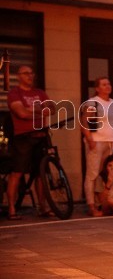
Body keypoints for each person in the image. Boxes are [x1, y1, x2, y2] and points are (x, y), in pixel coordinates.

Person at [6, 65, 56, 220]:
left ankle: (42, 207)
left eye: (31, 73)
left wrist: (31, 109)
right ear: (18, 76)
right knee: (18, 172)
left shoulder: (40, 92)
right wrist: (40, 109)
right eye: (26, 73)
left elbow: (52, 108)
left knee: (40, 173)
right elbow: (21, 113)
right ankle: (12, 209)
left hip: (41, 135)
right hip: (23, 137)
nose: (30, 76)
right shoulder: (15, 93)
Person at [81, 76, 113, 217]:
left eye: (108, 84)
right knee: (92, 174)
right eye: (104, 84)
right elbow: (84, 121)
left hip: (110, 142)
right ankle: (91, 206)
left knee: (105, 174)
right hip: (97, 142)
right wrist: (90, 139)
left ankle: (103, 203)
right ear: (97, 88)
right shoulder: (93, 102)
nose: (107, 86)